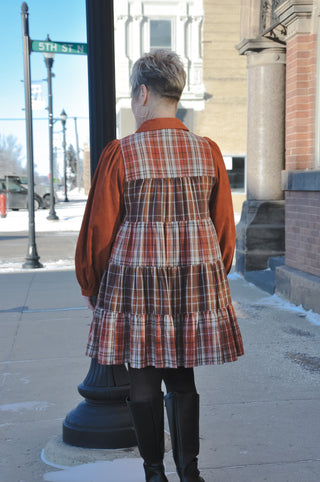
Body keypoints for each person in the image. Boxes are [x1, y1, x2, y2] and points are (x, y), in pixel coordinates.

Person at [75, 49, 244, 482]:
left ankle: (154, 475)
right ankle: (191, 473)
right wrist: (211, 276)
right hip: (192, 283)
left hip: (135, 284)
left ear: (143, 93)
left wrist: (92, 284)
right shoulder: (207, 151)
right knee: (182, 380)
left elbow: (99, 230)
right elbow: (224, 228)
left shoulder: (121, 153)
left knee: (144, 383)